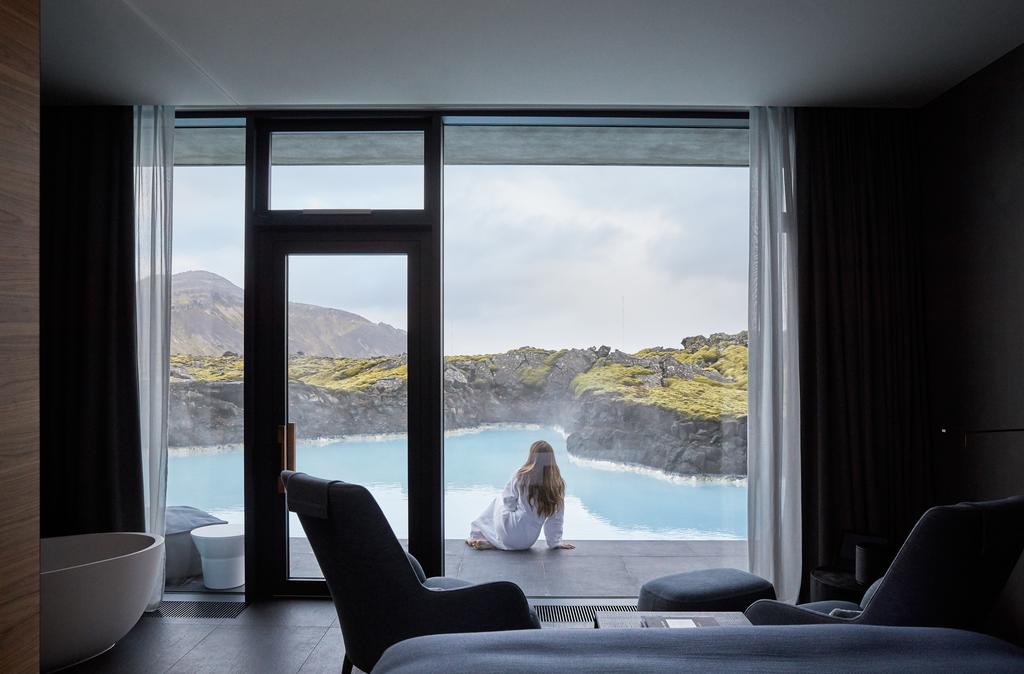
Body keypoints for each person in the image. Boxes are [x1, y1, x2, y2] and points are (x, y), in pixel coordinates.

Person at [466, 440, 576, 551]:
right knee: (505, 512)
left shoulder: (521, 475)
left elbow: (508, 501)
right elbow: (555, 520)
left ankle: (477, 534)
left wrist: (514, 510)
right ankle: (494, 542)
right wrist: (555, 543)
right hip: (527, 542)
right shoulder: (556, 484)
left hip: (508, 532)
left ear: (532, 456)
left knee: (498, 500)